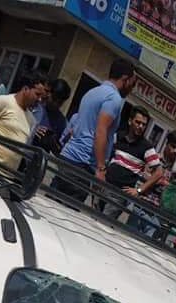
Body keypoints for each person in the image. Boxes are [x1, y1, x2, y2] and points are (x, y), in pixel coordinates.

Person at [52, 59, 136, 202]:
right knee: (64, 213)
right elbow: (100, 131)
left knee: (50, 204)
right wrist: (101, 169)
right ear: (125, 79)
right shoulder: (113, 98)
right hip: (81, 165)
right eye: (132, 84)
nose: (132, 89)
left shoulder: (93, 92)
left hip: (69, 157)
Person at [0, 70, 48, 171]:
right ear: (25, 89)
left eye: (42, 96)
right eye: (37, 94)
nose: (39, 99)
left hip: (7, 176)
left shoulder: (31, 119)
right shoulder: (3, 101)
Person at [103, 105, 162, 220]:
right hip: (104, 184)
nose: (140, 126)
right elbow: (106, 153)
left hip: (119, 194)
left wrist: (139, 190)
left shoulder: (147, 147)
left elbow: (158, 172)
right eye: (138, 122)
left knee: (101, 222)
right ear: (130, 121)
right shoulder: (119, 136)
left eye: (144, 124)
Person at [128, 129, 176, 237]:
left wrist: (158, 182)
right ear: (166, 144)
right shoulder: (153, 159)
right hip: (141, 207)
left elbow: (173, 192)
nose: (175, 151)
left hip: (157, 216)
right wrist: (161, 182)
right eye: (173, 146)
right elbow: (142, 178)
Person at [32, 77, 71, 155]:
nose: (55, 104)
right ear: (49, 93)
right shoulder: (35, 105)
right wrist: (33, 130)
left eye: (59, 103)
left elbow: (60, 147)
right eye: (54, 99)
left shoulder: (62, 122)